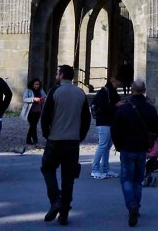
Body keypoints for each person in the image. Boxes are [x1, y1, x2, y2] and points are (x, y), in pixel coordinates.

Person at [39, 64, 91, 226]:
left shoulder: (55, 91)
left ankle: (55, 199)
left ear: (61, 75)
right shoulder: (80, 92)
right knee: (68, 178)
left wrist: (47, 133)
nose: (56, 75)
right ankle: (64, 213)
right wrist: (80, 136)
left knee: (47, 168)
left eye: (57, 73)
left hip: (55, 139)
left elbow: (45, 115)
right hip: (72, 141)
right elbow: (86, 119)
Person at [111, 79, 158, 227]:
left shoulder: (124, 109)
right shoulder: (150, 109)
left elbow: (115, 130)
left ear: (131, 90)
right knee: (138, 180)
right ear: (144, 90)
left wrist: (118, 146)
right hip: (142, 149)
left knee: (126, 179)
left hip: (127, 148)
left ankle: (131, 204)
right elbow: (156, 130)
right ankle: (136, 206)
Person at [90, 76, 122, 179]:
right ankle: (94, 169)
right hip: (104, 122)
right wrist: (117, 106)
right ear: (113, 80)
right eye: (118, 80)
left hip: (110, 122)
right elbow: (104, 108)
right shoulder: (105, 92)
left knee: (106, 147)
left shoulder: (110, 92)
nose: (119, 83)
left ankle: (105, 169)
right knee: (102, 146)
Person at [23, 78, 47, 146]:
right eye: (35, 84)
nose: (37, 86)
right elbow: (24, 99)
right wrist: (33, 99)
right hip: (30, 111)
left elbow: (45, 97)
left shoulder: (41, 90)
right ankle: (30, 139)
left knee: (34, 125)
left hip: (38, 111)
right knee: (33, 125)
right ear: (32, 84)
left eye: (38, 84)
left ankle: (33, 140)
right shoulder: (28, 90)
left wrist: (43, 99)